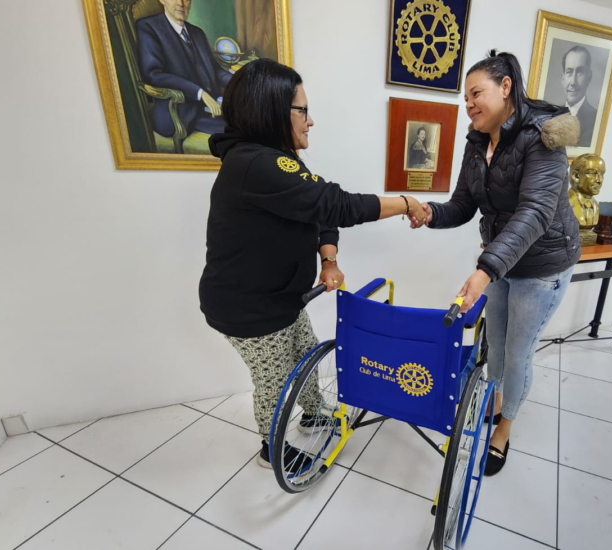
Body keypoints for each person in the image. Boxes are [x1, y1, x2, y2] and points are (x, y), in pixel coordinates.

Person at [199, 59, 427, 472]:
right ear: (271, 110)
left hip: (281, 297)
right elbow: (336, 204)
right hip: (248, 307)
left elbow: (320, 211)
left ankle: (312, 413)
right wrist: (405, 202)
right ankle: (272, 449)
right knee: (274, 380)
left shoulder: (275, 160)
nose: (311, 121)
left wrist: (329, 259)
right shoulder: (257, 164)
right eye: (302, 110)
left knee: (305, 353)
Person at [413, 50, 581, 476]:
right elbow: (462, 205)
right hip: (502, 261)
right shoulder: (476, 142)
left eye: (476, 93)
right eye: (465, 97)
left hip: (541, 266)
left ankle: (504, 429)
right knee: (496, 346)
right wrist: (429, 213)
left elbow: (535, 213)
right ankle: (498, 397)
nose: (468, 104)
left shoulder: (542, 138)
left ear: (506, 87)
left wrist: (485, 269)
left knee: (517, 353)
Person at [137, 0, 232, 138]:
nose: (181, 4)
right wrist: (199, 93)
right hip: (179, 112)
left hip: (212, 107)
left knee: (250, 122)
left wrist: (239, 81)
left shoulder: (197, 32)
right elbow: (154, 74)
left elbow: (215, 70)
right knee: (239, 131)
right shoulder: (148, 27)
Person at [562, 45, 597, 148]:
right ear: (563, 78)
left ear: (589, 78)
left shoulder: (596, 120)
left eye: (580, 72)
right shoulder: (550, 116)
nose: (573, 82)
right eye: (569, 72)